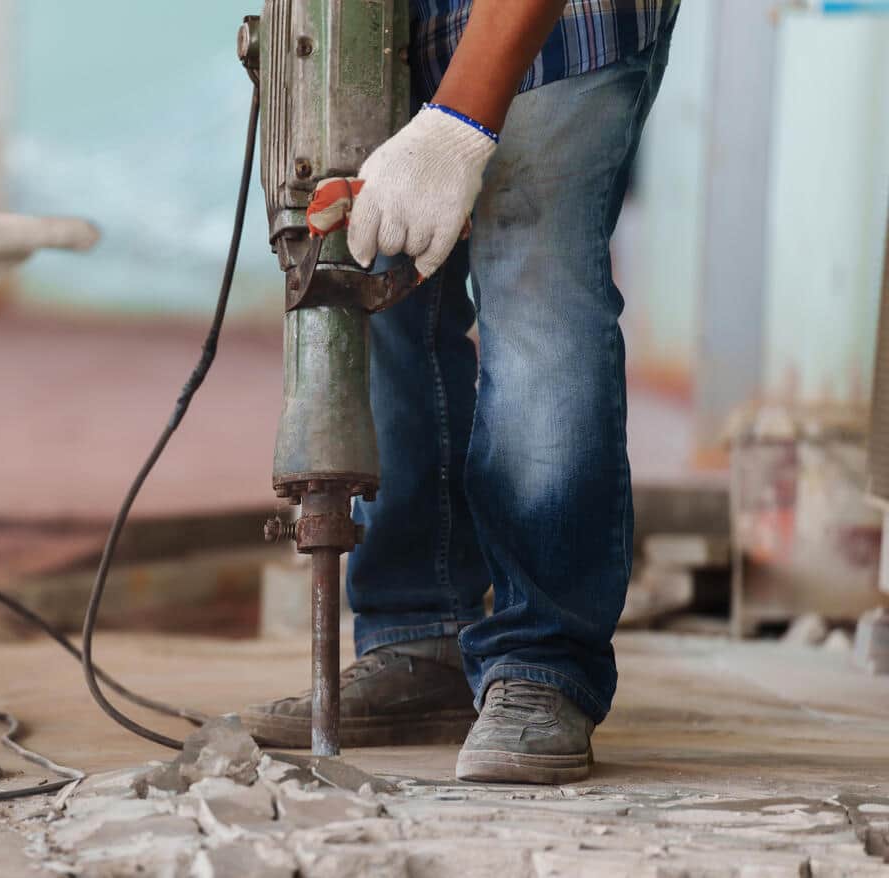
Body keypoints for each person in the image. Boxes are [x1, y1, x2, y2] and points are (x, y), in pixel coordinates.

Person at [242, 0, 680, 784]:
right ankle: (420, 636)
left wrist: (460, 123)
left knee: (535, 283)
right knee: (378, 270)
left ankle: (543, 664)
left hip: (560, 23)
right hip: (383, 27)